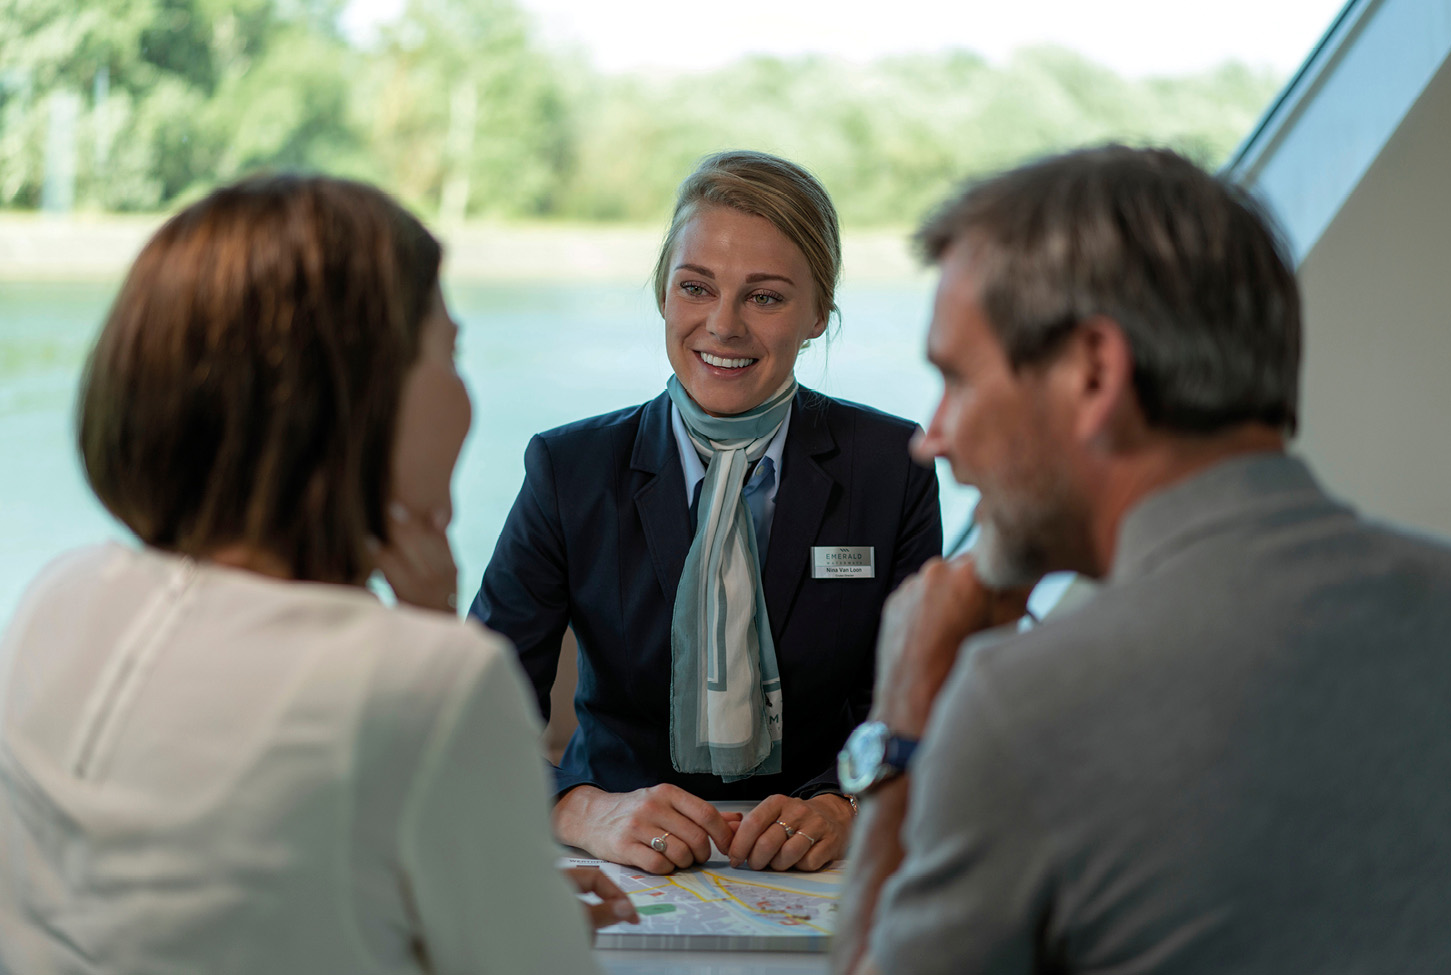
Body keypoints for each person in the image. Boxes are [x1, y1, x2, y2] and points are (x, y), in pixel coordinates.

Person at [835, 145, 1451, 974]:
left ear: (1094, 373)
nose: (930, 438)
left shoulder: (1021, 705)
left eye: (956, 380)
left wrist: (900, 724)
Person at [0, 175, 629, 975]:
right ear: (358, 398)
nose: (465, 394)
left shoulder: (60, 599)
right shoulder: (430, 682)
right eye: (451, 353)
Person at [471, 150, 942, 874]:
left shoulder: (892, 465)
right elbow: (474, 724)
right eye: (696, 287)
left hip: (819, 861)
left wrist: (853, 806)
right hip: (620, 852)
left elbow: (924, 707)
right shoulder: (569, 471)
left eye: (764, 297)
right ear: (664, 291)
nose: (721, 326)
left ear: (818, 312)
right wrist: (580, 806)